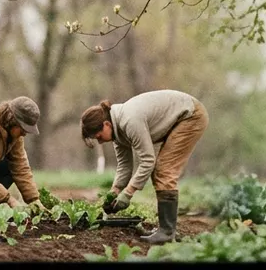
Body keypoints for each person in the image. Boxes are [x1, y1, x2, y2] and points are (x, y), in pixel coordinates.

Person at [80, 89, 209, 245]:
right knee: (160, 171)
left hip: (191, 115)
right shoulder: (117, 132)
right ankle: (166, 230)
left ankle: (167, 232)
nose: (100, 142)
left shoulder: (129, 120)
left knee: (163, 170)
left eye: (99, 137)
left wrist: (128, 193)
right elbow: (124, 166)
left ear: (106, 124)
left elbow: (148, 160)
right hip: (178, 118)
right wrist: (114, 192)